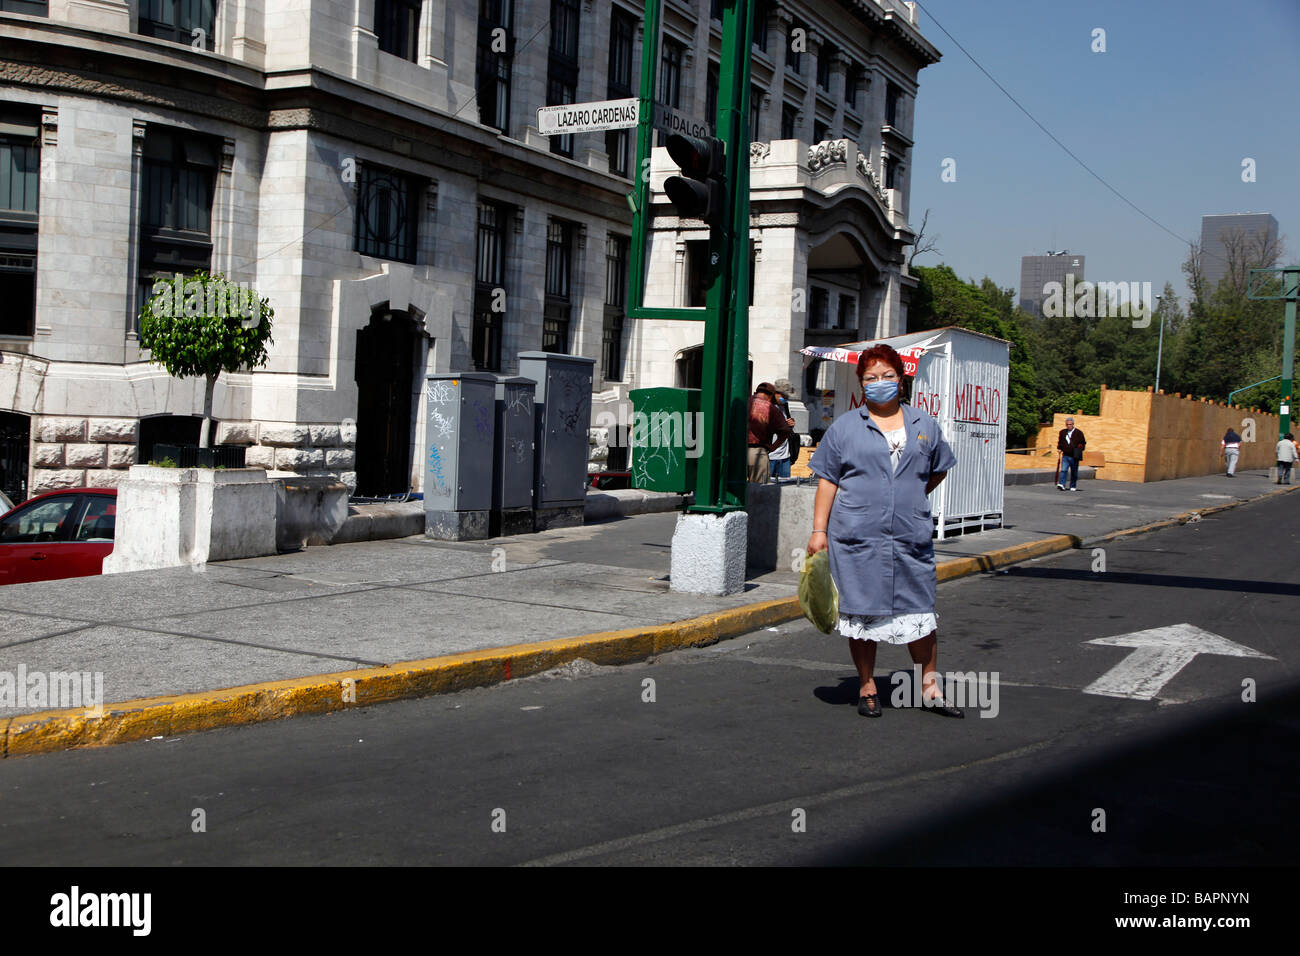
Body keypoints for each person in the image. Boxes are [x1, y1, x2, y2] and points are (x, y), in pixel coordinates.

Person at [806, 344, 960, 719]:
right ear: (861, 383)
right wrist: (818, 531)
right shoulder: (844, 427)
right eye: (871, 378)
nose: (880, 383)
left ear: (901, 380)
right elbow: (827, 479)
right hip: (857, 536)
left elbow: (938, 469)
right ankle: (867, 686)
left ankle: (929, 687)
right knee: (861, 614)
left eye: (887, 376)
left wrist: (906, 497)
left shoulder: (925, 425)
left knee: (920, 611)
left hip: (910, 536)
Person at [747, 383, 792, 484]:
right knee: (759, 490)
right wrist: (773, 447)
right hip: (758, 454)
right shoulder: (771, 408)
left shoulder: (744, 402)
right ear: (771, 395)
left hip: (735, 452)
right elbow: (785, 431)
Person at [767, 385, 797, 480]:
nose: (786, 399)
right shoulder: (768, 407)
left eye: (787, 397)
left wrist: (791, 424)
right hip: (770, 456)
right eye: (784, 396)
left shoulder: (785, 406)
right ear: (776, 393)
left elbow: (787, 425)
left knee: (786, 486)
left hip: (784, 457)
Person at [1056, 416, 1086, 491]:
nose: (1069, 426)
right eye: (1067, 424)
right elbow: (1060, 442)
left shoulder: (1078, 433)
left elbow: (1083, 443)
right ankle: (1062, 484)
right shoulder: (1062, 432)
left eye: (1070, 424)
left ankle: (1073, 485)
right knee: (1063, 470)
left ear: (1073, 424)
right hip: (1065, 455)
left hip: (1074, 456)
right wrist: (1059, 448)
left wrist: (1079, 448)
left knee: (1074, 471)